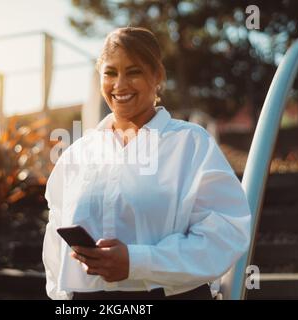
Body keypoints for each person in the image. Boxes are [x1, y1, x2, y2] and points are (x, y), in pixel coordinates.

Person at [42, 27, 251, 300]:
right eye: (110, 73)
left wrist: (136, 261)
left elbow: (226, 234)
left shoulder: (191, 143)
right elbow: (55, 245)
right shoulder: (77, 154)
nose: (120, 85)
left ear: (158, 76)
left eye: (134, 72)